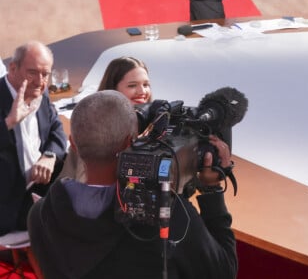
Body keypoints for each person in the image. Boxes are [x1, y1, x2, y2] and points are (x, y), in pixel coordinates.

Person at [28, 90, 238, 279]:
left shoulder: (40, 214)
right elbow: (224, 271)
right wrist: (212, 190)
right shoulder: (167, 215)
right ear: (131, 143)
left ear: (73, 143)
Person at [0, 41, 67, 235]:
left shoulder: (40, 92)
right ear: (13, 67)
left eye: (45, 74)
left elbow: (57, 129)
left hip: (39, 190)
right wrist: (9, 123)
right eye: (32, 72)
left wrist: (49, 155)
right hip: (8, 206)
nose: (40, 81)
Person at [59, 56, 153, 181]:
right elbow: (85, 184)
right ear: (112, 89)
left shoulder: (157, 125)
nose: (142, 91)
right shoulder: (93, 131)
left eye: (146, 84)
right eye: (132, 85)